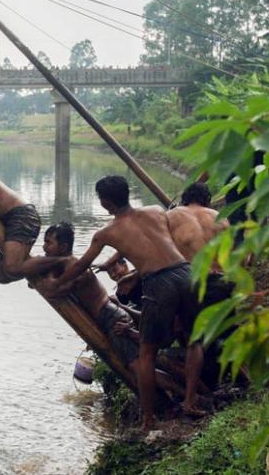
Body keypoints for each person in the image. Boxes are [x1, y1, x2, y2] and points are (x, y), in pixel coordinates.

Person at [38, 176, 197, 431]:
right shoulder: (156, 211)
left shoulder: (107, 232)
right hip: (185, 271)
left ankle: (147, 420)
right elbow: (152, 239)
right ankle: (191, 400)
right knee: (193, 340)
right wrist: (113, 262)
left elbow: (80, 265)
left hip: (158, 281)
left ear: (105, 202)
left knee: (146, 356)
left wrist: (56, 284)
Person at [29, 222, 185, 398]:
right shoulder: (64, 266)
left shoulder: (75, 269)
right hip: (109, 316)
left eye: (48, 242)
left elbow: (52, 291)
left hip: (111, 317)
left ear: (63, 247)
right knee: (142, 364)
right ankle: (185, 394)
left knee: (139, 367)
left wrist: (39, 269)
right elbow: (35, 284)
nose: (44, 247)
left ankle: (186, 395)